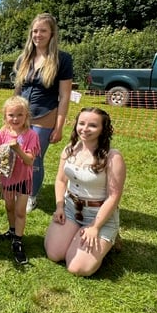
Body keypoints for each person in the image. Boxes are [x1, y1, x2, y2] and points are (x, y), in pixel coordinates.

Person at [44, 107, 125, 276]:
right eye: (81, 123)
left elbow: (114, 196)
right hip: (70, 209)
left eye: (93, 125)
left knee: (77, 268)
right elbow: (60, 180)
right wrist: (59, 207)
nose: (85, 129)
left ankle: (109, 237)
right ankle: (75, 234)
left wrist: (95, 227)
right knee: (54, 254)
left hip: (99, 216)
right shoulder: (69, 149)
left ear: (104, 129)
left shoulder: (112, 157)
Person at [14, 13, 73, 213]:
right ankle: (20, 187)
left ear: (52, 33)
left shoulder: (62, 59)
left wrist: (59, 125)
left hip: (45, 115)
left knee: (34, 157)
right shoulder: (24, 58)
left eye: (43, 31)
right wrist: (10, 116)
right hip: (21, 116)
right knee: (20, 155)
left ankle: (32, 195)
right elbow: (17, 90)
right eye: (35, 30)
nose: (38, 35)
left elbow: (65, 96)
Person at [0, 96, 40, 265]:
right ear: (5, 116)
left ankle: (18, 241)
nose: (15, 119)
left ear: (26, 116)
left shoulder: (31, 136)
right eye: (11, 115)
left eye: (19, 115)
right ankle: (12, 229)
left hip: (23, 180)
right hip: (7, 180)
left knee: (20, 211)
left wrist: (17, 149)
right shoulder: (2, 134)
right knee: (9, 207)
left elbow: (30, 160)